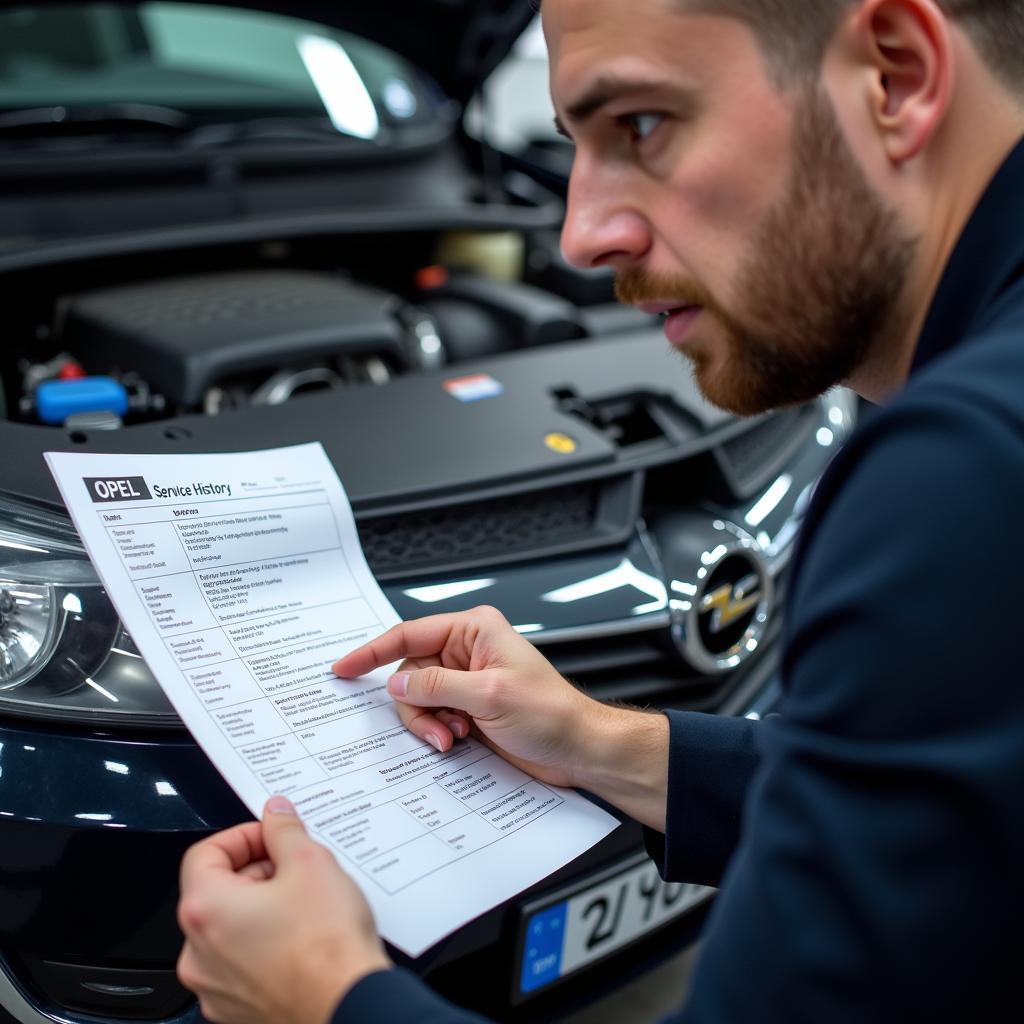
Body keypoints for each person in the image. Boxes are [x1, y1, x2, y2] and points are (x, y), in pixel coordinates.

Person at [174, 0, 1024, 1020]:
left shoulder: (962, 472)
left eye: (642, 126)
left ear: (892, 73)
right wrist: (597, 742)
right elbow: (938, 821)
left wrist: (323, 996)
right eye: (577, 145)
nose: (580, 234)